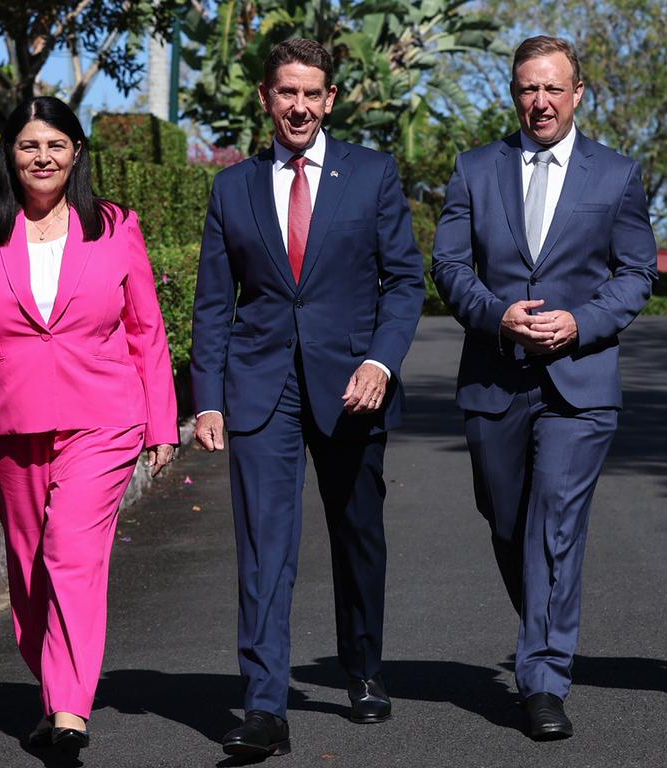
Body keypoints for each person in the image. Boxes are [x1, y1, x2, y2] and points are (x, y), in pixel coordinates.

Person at [190, 39, 425, 761]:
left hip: (353, 388)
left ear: (329, 101)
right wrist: (207, 399)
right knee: (265, 550)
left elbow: (405, 281)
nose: (298, 106)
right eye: (285, 92)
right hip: (261, 391)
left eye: (311, 93)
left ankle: (363, 669)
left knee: (357, 537)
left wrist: (381, 361)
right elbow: (212, 305)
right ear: (266, 98)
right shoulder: (232, 188)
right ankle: (265, 705)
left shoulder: (374, 175)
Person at [0, 96, 178, 758]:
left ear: (76, 155)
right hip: (10, 421)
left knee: (70, 554)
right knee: (28, 567)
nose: (42, 157)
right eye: (28, 146)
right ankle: (53, 692)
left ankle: (70, 711)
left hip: (102, 419)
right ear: (9, 156)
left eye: (56, 145)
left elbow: (146, 329)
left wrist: (161, 423)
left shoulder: (116, 226)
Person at [431, 36, 657, 740]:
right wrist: (498, 315)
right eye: (529, 88)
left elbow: (637, 275)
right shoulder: (475, 170)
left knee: (555, 525)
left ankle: (543, 679)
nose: (541, 102)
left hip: (579, 386)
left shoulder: (617, 175)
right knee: (508, 522)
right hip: (495, 377)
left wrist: (580, 323)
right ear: (513, 94)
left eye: (554, 88)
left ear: (579, 93)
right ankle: (543, 631)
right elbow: (449, 265)